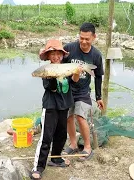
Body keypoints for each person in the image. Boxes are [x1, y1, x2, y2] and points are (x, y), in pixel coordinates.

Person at [31, 39, 82, 180]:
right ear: (48, 56)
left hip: (64, 105)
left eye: (58, 53)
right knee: (46, 137)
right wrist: (52, 77)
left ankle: (56, 158)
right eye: (52, 54)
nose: (56, 56)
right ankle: (38, 167)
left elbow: (74, 81)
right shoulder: (46, 70)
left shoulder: (66, 67)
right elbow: (52, 88)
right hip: (50, 106)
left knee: (61, 135)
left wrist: (77, 71)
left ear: (62, 54)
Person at [62, 22, 104, 161]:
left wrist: (98, 97)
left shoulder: (96, 55)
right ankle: (73, 144)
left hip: (83, 91)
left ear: (94, 37)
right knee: (68, 117)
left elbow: (98, 76)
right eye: (81, 38)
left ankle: (87, 147)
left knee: (80, 116)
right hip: (68, 89)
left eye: (87, 38)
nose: (84, 41)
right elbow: (57, 60)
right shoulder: (69, 48)